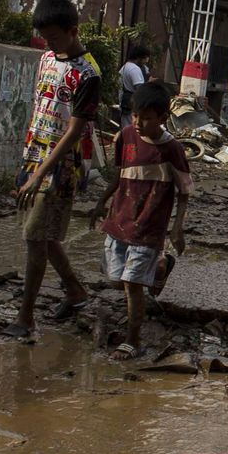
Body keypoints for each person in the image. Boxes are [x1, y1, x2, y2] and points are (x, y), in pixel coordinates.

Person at [4, 0, 100, 339]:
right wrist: (28, 164)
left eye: (55, 37)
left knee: (33, 237)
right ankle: (75, 291)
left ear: (73, 30)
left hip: (61, 168)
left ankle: (26, 317)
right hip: (34, 158)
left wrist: (40, 174)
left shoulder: (88, 74)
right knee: (43, 235)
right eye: (45, 37)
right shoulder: (46, 58)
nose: (49, 42)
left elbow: (75, 131)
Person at [90, 82, 192, 360]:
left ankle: (133, 341)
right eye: (135, 115)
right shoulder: (124, 136)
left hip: (149, 227)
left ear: (162, 117)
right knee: (115, 281)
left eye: (145, 117)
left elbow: (184, 192)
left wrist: (177, 228)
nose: (138, 122)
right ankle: (160, 268)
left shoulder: (172, 149)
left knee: (132, 285)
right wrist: (101, 202)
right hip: (119, 221)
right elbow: (120, 175)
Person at [118, 45, 150, 128]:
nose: (145, 61)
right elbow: (140, 89)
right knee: (131, 129)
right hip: (132, 104)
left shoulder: (125, 66)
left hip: (124, 102)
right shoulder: (135, 69)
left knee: (125, 127)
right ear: (139, 57)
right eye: (145, 58)